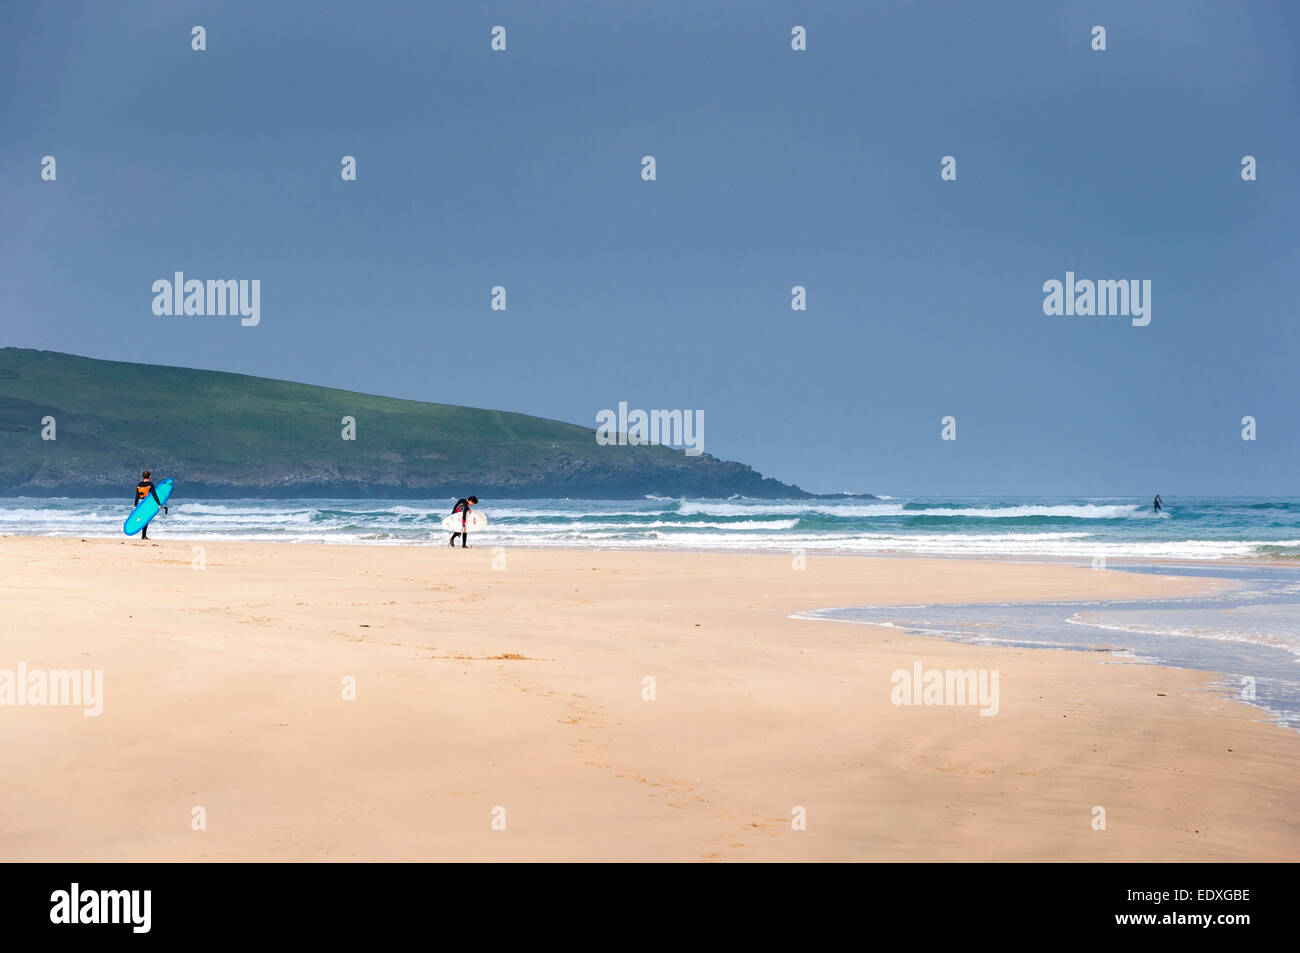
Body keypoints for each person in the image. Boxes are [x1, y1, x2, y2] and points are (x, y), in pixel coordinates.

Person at [133, 470, 167, 540]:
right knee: (146, 519)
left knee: (144, 518)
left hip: (140, 504)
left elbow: (136, 496)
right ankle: (143, 536)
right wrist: (159, 504)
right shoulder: (150, 484)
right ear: (149, 476)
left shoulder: (139, 485)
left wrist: (135, 506)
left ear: (143, 476)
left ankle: (143, 535)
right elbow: (154, 495)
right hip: (147, 504)